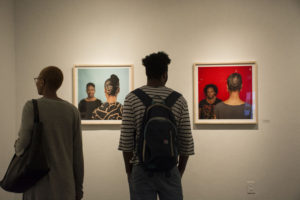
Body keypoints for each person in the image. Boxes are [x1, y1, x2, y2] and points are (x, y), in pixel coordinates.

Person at [118, 52, 194, 200]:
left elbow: (126, 141)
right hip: (169, 169)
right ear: (165, 74)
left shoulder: (132, 98)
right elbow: (186, 143)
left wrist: (130, 172)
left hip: (141, 169)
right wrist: (179, 171)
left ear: (147, 73)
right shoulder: (179, 100)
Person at [14, 66, 84, 200]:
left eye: (37, 79)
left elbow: (22, 146)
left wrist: (16, 145)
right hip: (65, 185)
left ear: (42, 82)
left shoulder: (31, 106)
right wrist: (79, 188)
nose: (36, 83)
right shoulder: (73, 111)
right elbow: (78, 155)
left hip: (37, 183)